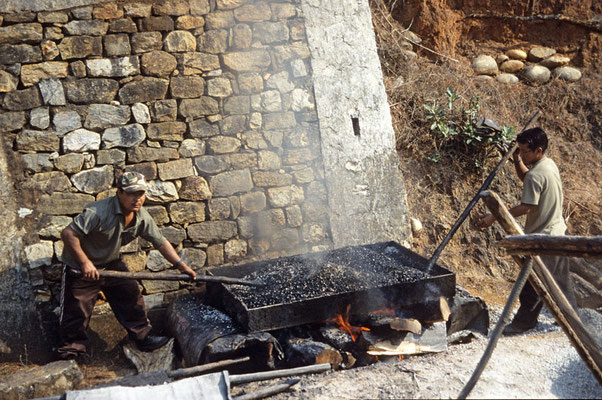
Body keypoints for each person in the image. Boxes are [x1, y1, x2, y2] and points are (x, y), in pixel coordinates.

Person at [57, 172, 196, 360]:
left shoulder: (142, 217)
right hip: (80, 266)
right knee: (77, 310)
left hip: (111, 263)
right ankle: (72, 352)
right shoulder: (98, 212)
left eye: (141, 194)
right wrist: (85, 263)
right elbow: (68, 234)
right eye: (131, 193)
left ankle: (143, 337)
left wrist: (181, 266)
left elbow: (160, 242)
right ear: (119, 192)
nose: (137, 199)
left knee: (131, 294)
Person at [477, 127, 577, 334]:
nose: (521, 154)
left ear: (538, 150)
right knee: (561, 281)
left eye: (524, 151)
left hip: (543, 239)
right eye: (519, 150)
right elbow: (530, 180)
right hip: (559, 232)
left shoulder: (536, 175)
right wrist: (517, 160)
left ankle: (524, 322)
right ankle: (573, 318)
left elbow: (526, 207)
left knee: (532, 285)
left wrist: (494, 216)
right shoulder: (548, 165)